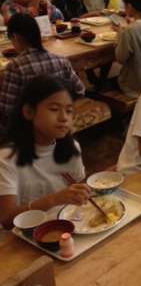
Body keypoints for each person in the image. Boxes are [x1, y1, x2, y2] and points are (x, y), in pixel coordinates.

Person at [0, 75, 90, 228]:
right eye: (54, 109)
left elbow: (79, 195)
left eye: (69, 111)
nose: (64, 118)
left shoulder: (71, 148)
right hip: (23, 233)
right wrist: (53, 199)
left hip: (63, 226)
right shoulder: (7, 157)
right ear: (29, 112)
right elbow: (6, 219)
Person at [0, 14, 84, 137]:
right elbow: (80, 90)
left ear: (16, 37)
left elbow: (7, 109)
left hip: (30, 128)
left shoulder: (16, 67)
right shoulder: (61, 60)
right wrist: (60, 108)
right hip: (60, 124)